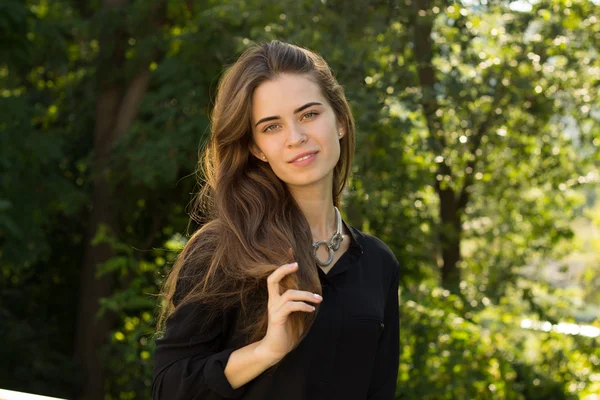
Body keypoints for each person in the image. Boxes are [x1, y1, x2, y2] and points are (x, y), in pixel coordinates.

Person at [152, 40, 400, 400]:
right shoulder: (223, 250)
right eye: (271, 127)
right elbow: (168, 388)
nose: (296, 138)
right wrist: (266, 351)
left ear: (341, 122)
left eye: (309, 115)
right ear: (255, 148)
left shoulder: (379, 263)